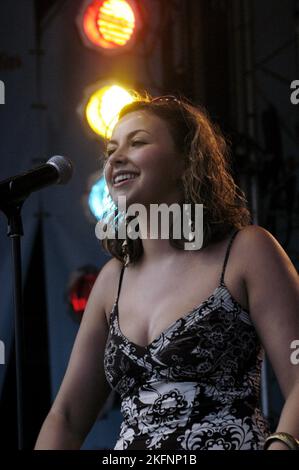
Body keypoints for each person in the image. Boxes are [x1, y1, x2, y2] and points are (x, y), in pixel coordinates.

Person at [35, 95, 299, 450]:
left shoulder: (246, 251)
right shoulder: (113, 279)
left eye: (138, 142)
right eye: (111, 149)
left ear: (185, 162)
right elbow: (66, 417)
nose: (115, 157)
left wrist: (282, 444)